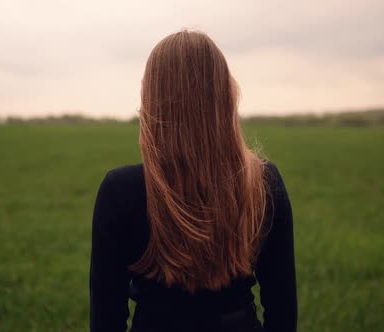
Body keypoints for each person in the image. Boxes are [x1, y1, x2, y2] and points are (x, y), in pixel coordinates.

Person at [89, 29, 297, 332]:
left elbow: (106, 320)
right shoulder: (263, 183)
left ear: (152, 101)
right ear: (225, 97)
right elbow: (282, 313)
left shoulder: (119, 192)